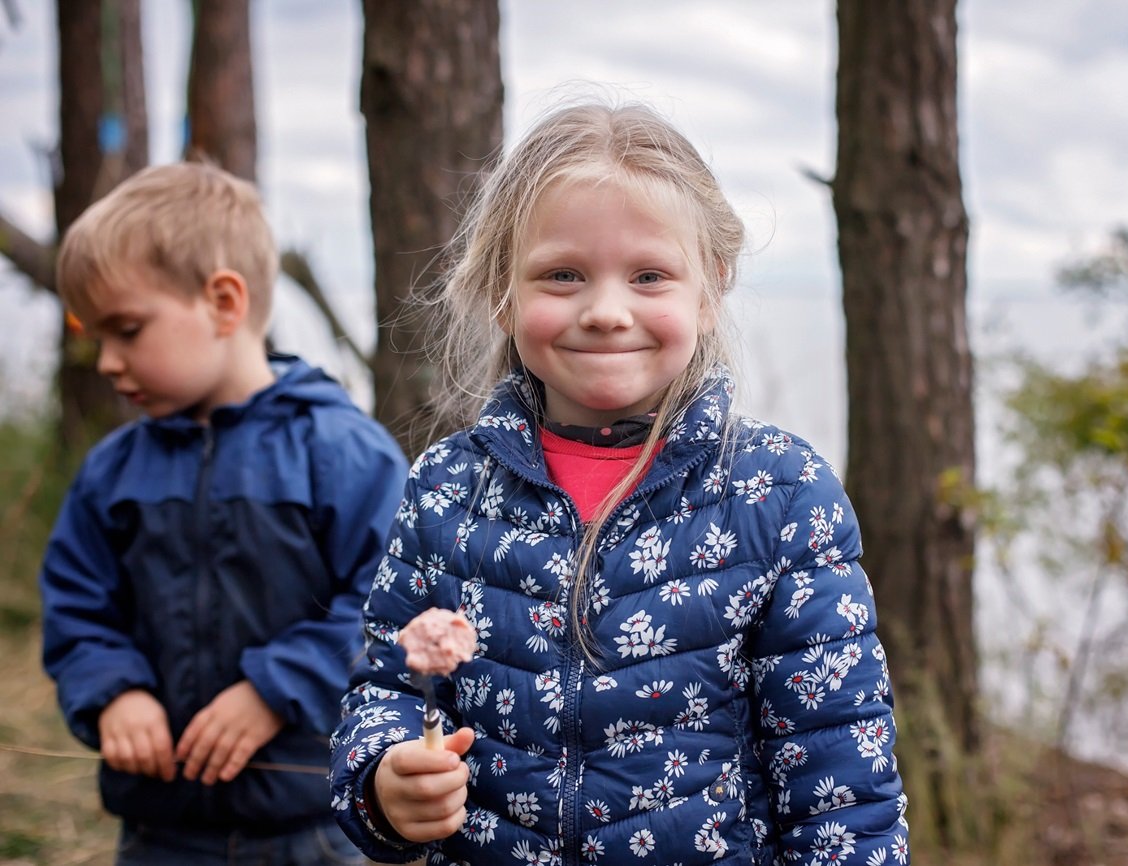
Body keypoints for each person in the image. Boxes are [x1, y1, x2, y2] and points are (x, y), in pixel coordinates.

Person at [330, 102, 910, 865]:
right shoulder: (448, 489)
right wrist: (383, 782)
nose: (606, 311)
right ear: (503, 291)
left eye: (649, 276)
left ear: (709, 291)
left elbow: (841, 784)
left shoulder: (781, 495)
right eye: (562, 275)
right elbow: (387, 689)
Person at [40, 161, 409, 865]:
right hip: (159, 834)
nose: (107, 362)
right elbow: (77, 608)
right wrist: (114, 693)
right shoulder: (111, 474)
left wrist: (276, 688)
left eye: (126, 330)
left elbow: (389, 605)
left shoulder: (343, 453)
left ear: (223, 302)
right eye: (97, 338)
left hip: (313, 831)